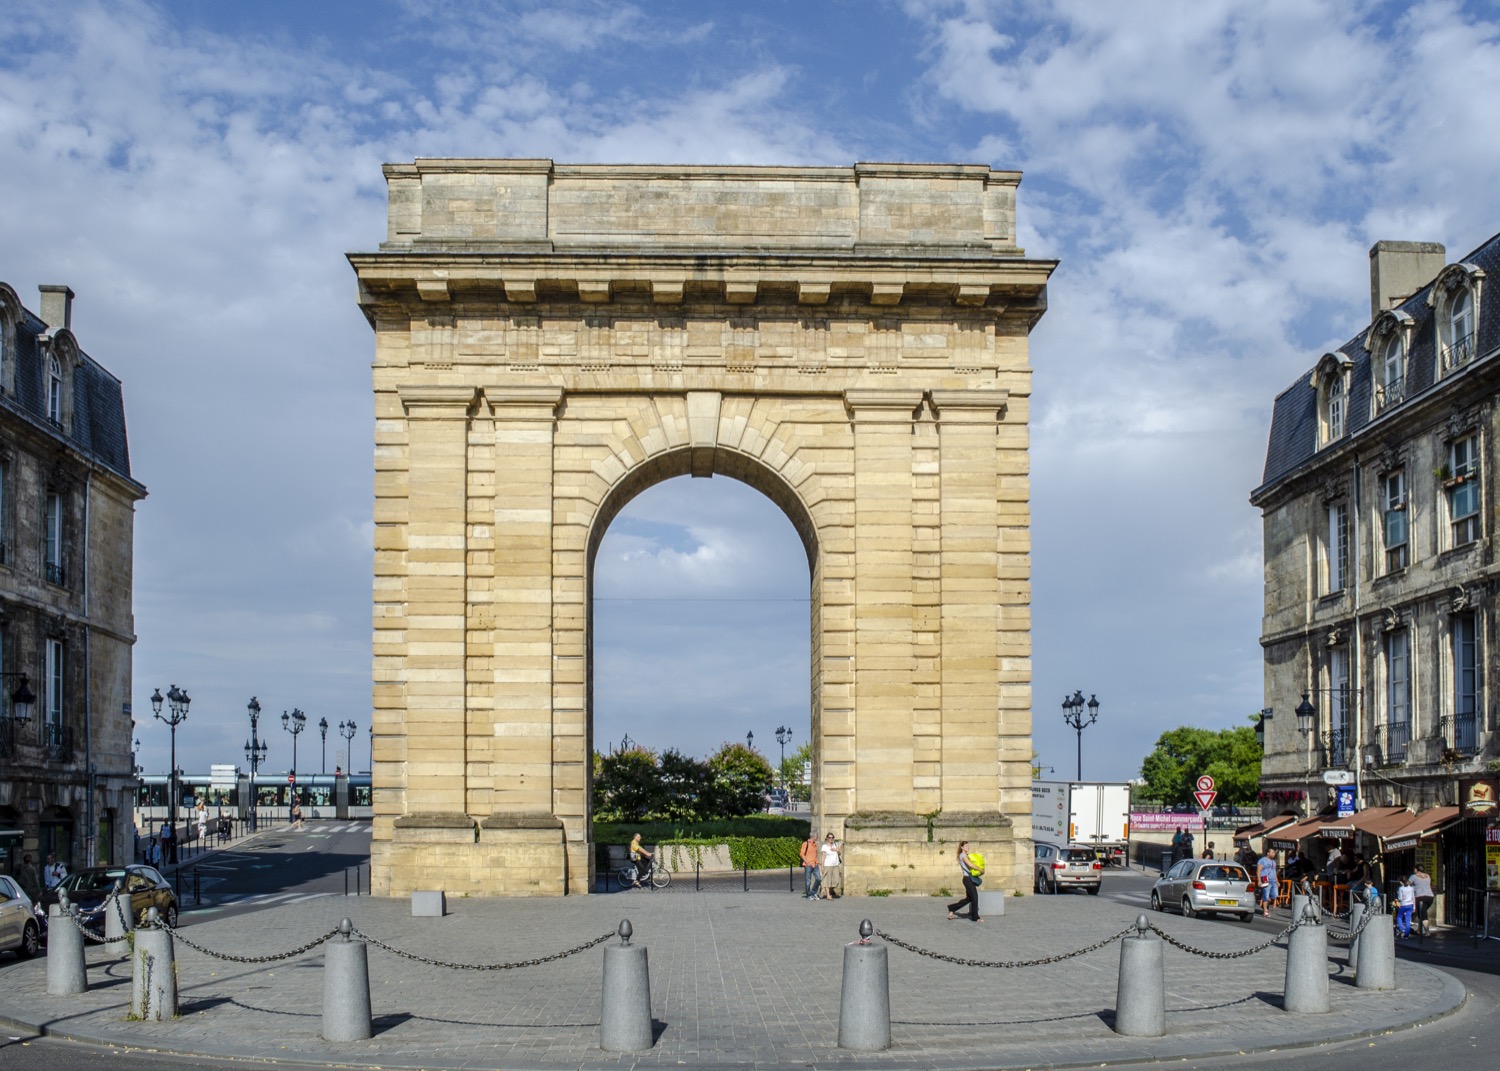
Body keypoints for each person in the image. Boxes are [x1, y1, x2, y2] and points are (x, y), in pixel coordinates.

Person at [946, 840, 982, 922]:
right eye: (966, 846)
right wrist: (980, 869)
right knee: (975, 898)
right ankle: (975, 917)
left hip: (969, 879)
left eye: (968, 846)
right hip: (967, 879)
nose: (968, 847)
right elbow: (970, 865)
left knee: (969, 898)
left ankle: (952, 909)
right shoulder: (963, 856)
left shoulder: (966, 855)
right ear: (962, 847)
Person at [1410, 863, 1435, 936]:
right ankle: (1419, 930)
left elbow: (1407, 884)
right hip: (1430, 897)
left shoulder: (1413, 876)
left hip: (1420, 897)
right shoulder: (1428, 876)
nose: (1414, 870)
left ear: (1417, 869)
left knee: (1423, 915)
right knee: (1421, 913)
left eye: (1415, 868)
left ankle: (1427, 932)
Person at [1257, 843, 1279, 918]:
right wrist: (1259, 880)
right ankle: (1265, 910)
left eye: (1274, 853)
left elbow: (1274, 872)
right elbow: (1259, 871)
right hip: (1265, 879)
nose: (1273, 854)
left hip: (1273, 880)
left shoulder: (1274, 862)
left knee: (1275, 895)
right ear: (1268, 853)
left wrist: (1277, 880)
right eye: (1272, 852)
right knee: (1266, 895)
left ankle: (1264, 904)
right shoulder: (1262, 861)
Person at [818, 832, 842, 899]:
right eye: (829, 837)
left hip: (835, 864)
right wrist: (822, 866)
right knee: (828, 880)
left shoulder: (835, 844)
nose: (831, 839)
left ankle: (823, 888)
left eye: (832, 837)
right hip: (828, 865)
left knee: (836, 880)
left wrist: (835, 850)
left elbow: (839, 853)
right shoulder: (824, 846)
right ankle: (828, 895)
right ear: (827, 838)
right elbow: (823, 856)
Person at [799, 831, 821, 900]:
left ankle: (813, 892)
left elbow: (815, 854)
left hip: (815, 864)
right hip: (808, 865)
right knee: (808, 881)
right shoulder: (806, 844)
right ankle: (808, 895)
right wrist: (807, 862)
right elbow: (802, 854)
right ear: (814, 836)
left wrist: (817, 862)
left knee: (818, 879)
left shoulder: (815, 844)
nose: (817, 837)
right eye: (817, 835)